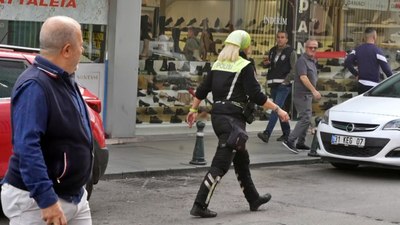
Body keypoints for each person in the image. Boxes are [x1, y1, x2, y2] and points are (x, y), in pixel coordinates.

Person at [186, 30, 290, 218]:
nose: (250, 48)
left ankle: (253, 199)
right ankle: (199, 204)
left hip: (219, 118)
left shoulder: (218, 64)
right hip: (233, 121)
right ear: (244, 47)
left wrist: (193, 110)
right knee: (221, 164)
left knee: (242, 160)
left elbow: (201, 90)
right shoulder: (245, 65)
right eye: (249, 45)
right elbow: (257, 96)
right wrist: (278, 109)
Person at [1, 16, 93, 225]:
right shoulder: (35, 86)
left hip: (75, 196)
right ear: (67, 50)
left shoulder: (64, 79)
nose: (83, 51)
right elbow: (27, 147)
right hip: (38, 202)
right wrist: (46, 199)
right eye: (81, 45)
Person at [282, 39, 321, 154]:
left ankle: (300, 142)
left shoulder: (312, 61)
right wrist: (314, 91)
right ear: (305, 47)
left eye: (315, 48)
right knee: (305, 118)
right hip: (302, 95)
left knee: (306, 117)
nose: (313, 49)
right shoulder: (302, 61)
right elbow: (303, 77)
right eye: (310, 47)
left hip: (307, 95)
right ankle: (290, 140)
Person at [257, 31, 297, 143]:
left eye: (282, 37)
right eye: (278, 37)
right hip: (273, 84)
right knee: (281, 109)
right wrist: (266, 64)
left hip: (284, 86)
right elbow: (272, 65)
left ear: (287, 39)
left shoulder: (291, 52)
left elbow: (294, 69)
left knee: (276, 109)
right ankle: (286, 133)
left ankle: (267, 133)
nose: (280, 39)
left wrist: (286, 81)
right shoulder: (272, 50)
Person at [344, 27, 392, 94]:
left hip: (361, 84)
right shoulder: (377, 51)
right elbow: (386, 70)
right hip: (373, 86)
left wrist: (356, 74)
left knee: (362, 104)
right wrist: (393, 82)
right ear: (374, 37)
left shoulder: (357, 49)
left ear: (365, 37)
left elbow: (347, 62)